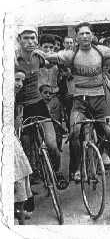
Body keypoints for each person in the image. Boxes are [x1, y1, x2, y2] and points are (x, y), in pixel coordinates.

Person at [45, 22, 110, 182]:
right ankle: (77, 167)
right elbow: (51, 57)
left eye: (87, 33)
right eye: (81, 34)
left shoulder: (101, 50)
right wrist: (38, 53)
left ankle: (104, 152)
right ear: (76, 37)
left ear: (92, 35)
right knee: (75, 132)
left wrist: (108, 66)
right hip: (80, 101)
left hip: (100, 99)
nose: (84, 36)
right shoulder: (71, 54)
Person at [15, 26, 67, 186]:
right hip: (21, 108)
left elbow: (55, 62)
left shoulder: (39, 57)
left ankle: (57, 172)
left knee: (52, 145)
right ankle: (29, 184)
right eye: (26, 38)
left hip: (39, 105)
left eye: (33, 38)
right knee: (24, 147)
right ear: (19, 40)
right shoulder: (12, 60)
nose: (30, 42)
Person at [14, 68, 33, 225]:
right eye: (16, 79)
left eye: (22, 81)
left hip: (11, 137)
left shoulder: (16, 99)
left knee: (22, 170)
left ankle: (19, 210)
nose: (19, 84)